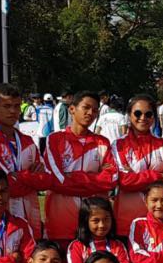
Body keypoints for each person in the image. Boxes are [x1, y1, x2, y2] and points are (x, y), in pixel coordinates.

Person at [44, 91, 118, 245]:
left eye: (95, 110)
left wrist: (72, 177)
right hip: (61, 220)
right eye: (86, 107)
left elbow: (111, 179)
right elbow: (56, 181)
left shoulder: (102, 142)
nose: (91, 113)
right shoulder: (55, 139)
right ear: (72, 109)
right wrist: (94, 180)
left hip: (95, 224)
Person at [0, 83, 51, 236]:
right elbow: (3, 184)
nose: (13, 111)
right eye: (7, 106)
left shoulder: (28, 141)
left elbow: (44, 181)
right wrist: (30, 177)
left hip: (30, 218)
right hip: (1, 218)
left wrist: (18, 176)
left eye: (17, 106)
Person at [112, 94, 163, 233]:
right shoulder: (118, 145)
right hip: (127, 220)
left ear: (153, 117)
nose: (143, 118)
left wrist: (136, 176)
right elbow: (124, 181)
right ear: (129, 116)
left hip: (160, 221)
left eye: (148, 114)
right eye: (137, 113)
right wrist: (159, 176)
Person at [67, 197, 132, 263]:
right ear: (85, 221)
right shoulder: (76, 246)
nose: (102, 225)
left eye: (106, 219)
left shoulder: (117, 245)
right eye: (96, 220)